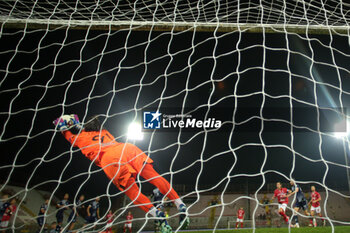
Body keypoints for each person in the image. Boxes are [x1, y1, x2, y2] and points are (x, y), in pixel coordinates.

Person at [54, 114, 189, 232]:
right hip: (126, 148)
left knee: (133, 192)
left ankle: (157, 214)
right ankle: (180, 204)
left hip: (109, 159)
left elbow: (63, 128)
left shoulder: (79, 138)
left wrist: (69, 125)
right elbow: (84, 125)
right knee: (154, 176)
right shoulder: (103, 131)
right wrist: (77, 122)